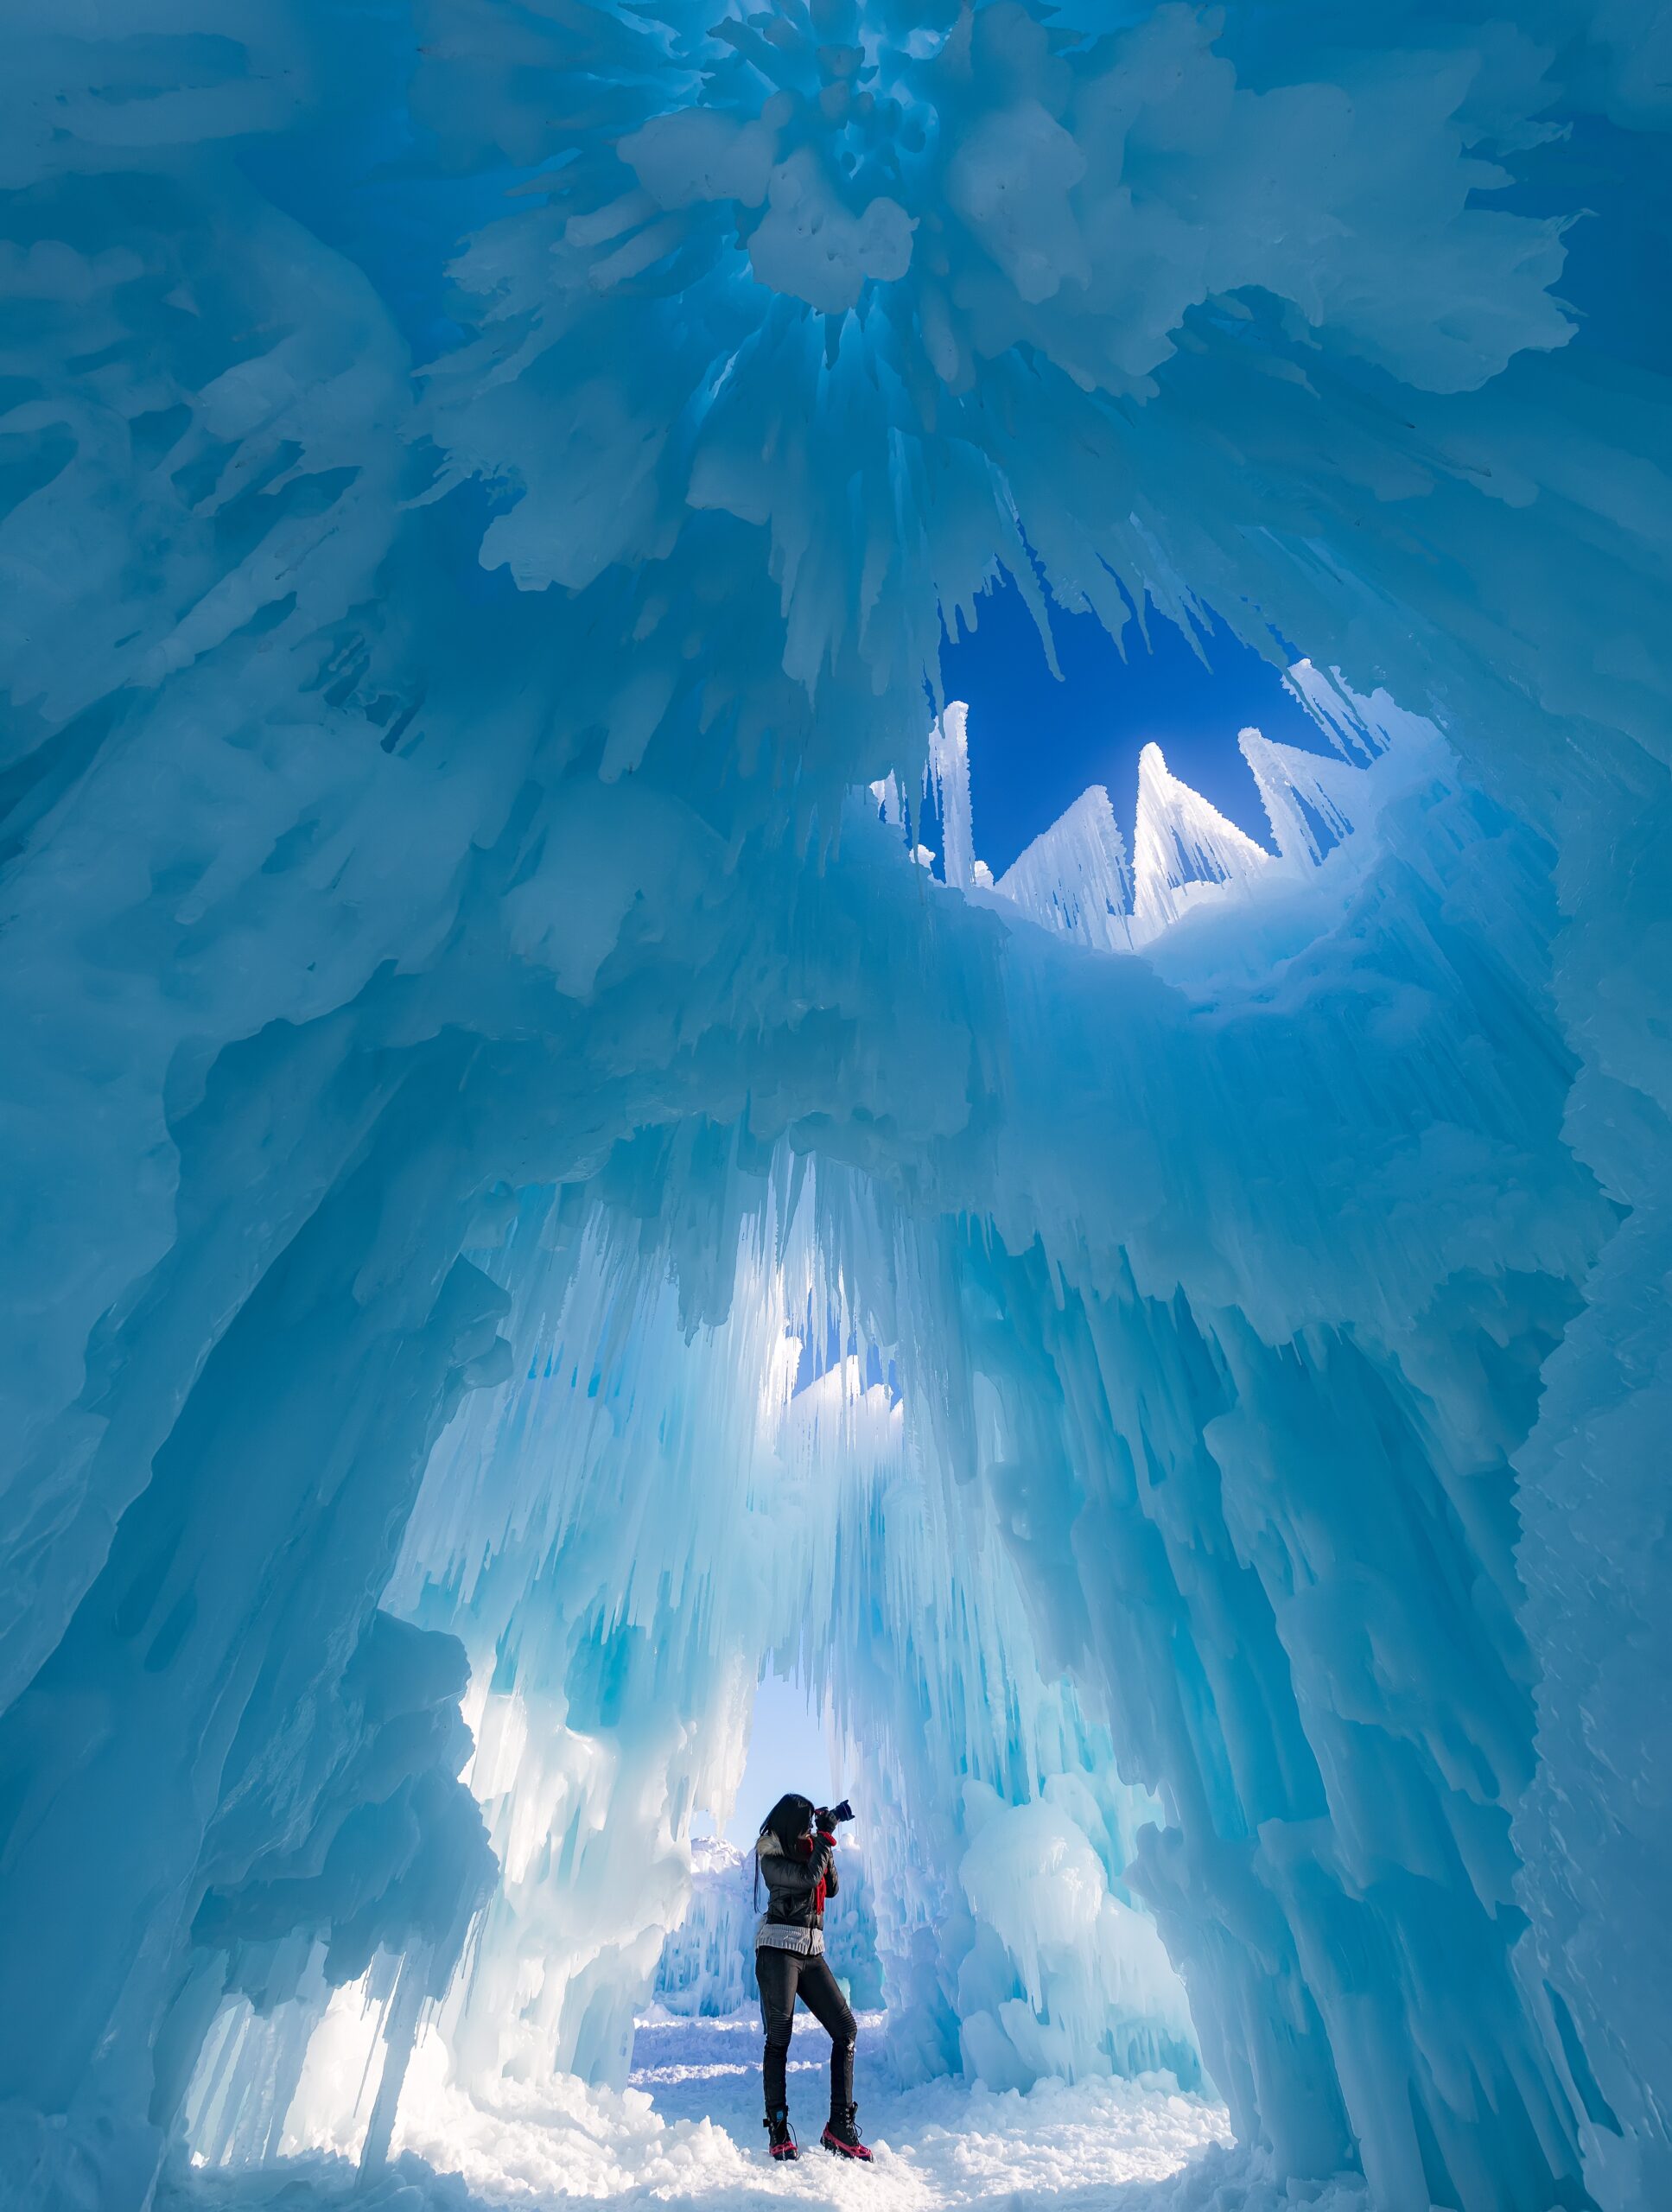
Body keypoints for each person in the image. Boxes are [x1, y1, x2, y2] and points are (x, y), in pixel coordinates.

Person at [753, 1791, 872, 2163]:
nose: (809, 1831)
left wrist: (825, 1840)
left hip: (811, 1950)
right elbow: (806, 1879)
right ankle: (777, 2127)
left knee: (846, 2030)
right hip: (779, 1950)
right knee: (780, 2036)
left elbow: (829, 1886)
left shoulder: (810, 1849)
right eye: (805, 1825)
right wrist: (822, 1838)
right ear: (790, 1824)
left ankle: (839, 2125)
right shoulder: (770, 1857)